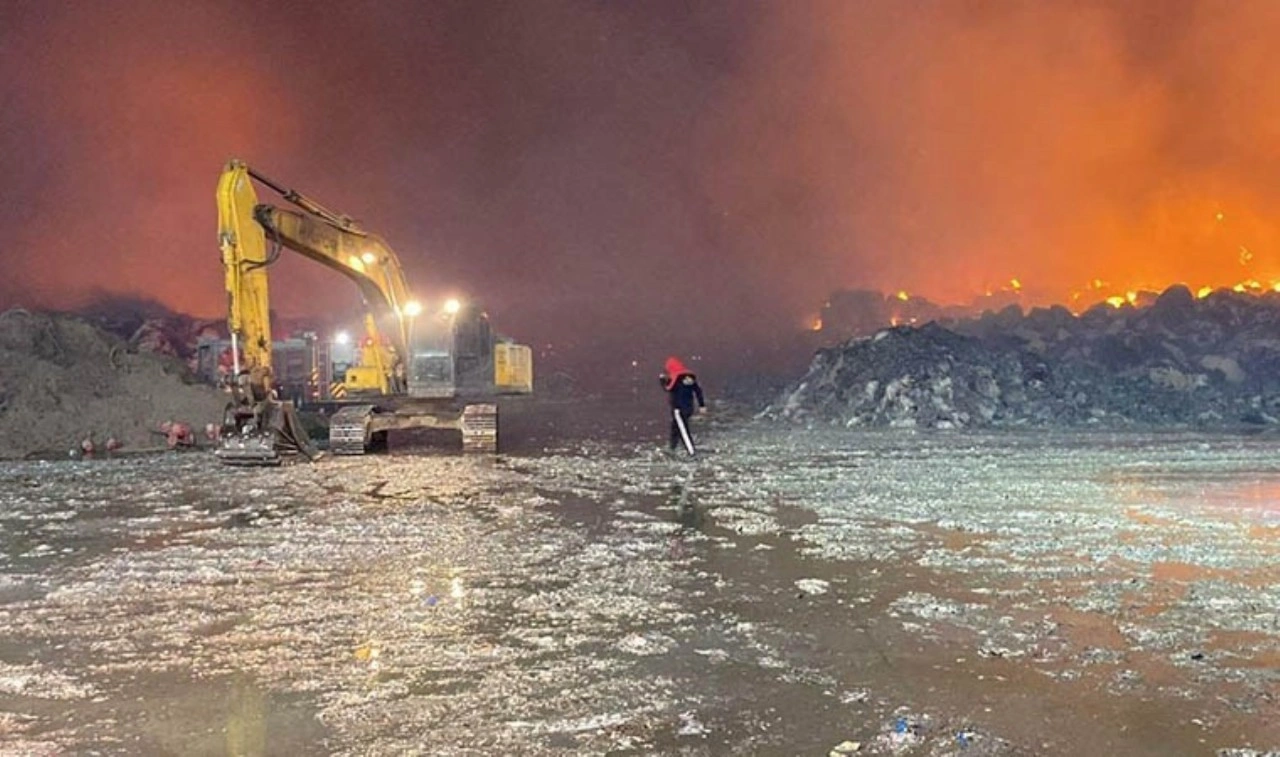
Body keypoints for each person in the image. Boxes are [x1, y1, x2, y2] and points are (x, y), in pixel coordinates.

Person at [659, 356, 706, 454]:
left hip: (678, 409)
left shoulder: (676, 378)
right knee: (675, 428)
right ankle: (672, 447)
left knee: (683, 430)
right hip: (688, 407)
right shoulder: (690, 377)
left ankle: (691, 452)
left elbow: (668, 388)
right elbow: (698, 391)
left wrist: (662, 381)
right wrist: (702, 405)